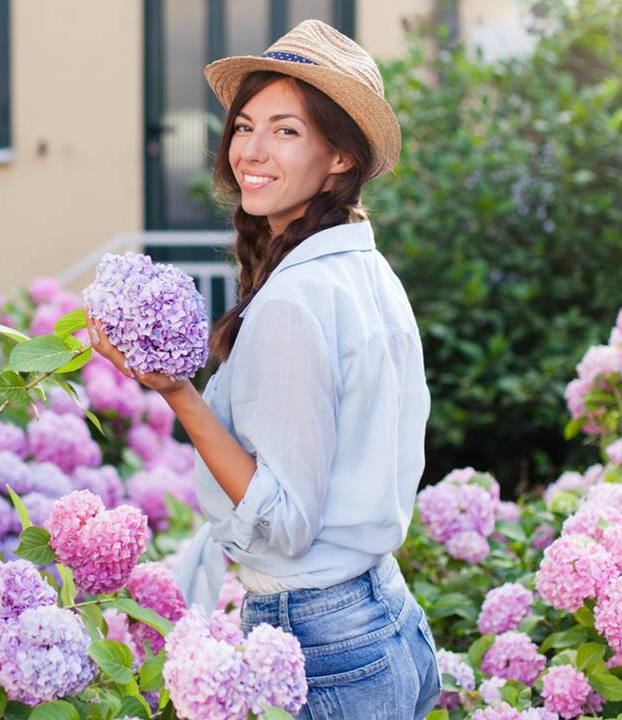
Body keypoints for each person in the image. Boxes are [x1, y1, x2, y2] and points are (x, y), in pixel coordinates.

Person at [88, 18, 442, 720]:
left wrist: (177, 392)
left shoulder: (296, 300)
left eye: (286, 131)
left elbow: (283, 522)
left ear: (340, 154)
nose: (251, 149)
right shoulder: (367, 271)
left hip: (322, 649)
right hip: (387, 622)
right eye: (246, 125)